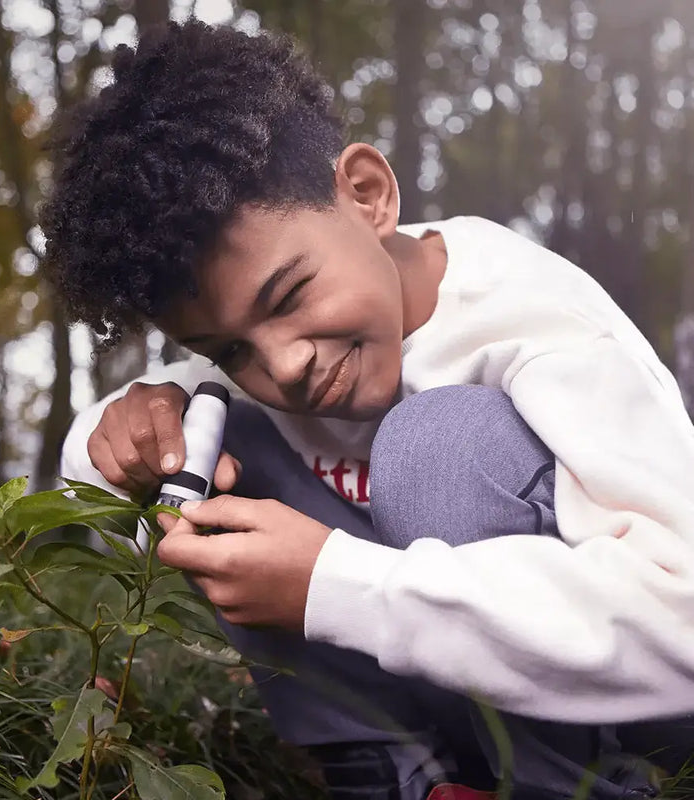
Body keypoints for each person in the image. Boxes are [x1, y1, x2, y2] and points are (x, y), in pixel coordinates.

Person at [42, 19, 694, 800]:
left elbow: (683, 623)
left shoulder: (544, 331)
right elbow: (130, 467)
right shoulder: (252, 377)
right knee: (207, 449)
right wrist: (116, 440)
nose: (284, 364)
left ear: (367, 195)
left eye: (289, 296)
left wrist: (339, 585)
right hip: (450, 692)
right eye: (231, 350)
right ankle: (394, 772)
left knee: (437, 451)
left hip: (636, 701)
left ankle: (573, 783)